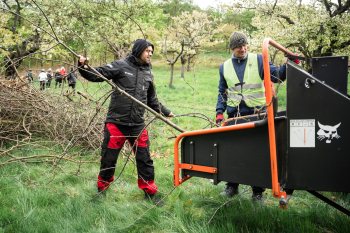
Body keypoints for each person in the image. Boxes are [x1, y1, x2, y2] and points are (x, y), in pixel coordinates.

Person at [78, 39, 175, 205]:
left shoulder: (148, 73)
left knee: (145, 160)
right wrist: (83, 66)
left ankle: (150, 193)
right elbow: (96, 74)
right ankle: (102, 190)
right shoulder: (120, 66)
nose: (150, 54)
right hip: (116, 123)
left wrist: (165, 112)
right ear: (138, 50)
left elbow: (151, 99)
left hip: (138, 124)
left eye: (152, 51)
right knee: (108, 159)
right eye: (147, 51)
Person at [216, 31, 291, 204]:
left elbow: (277, 76)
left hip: (256, 113)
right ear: (232, 48)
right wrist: (220, 112)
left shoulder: (259, 60)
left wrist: (288, 64)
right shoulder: (224, 67)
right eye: (238, 46)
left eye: (244, 45)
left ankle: (257, 192)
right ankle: (232, 186)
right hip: (234, 115)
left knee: (257, 153)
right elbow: (222, 92)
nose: (242, 49)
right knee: (233, 151)